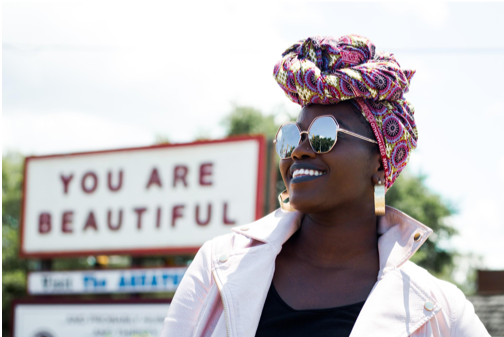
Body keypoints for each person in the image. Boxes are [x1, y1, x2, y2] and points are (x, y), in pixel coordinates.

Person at [160, 35, 489, 337]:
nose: (300, 150)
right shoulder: (217, 265)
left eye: (324, 135)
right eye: (291, 136)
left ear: (379, 161)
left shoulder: (440, 309)